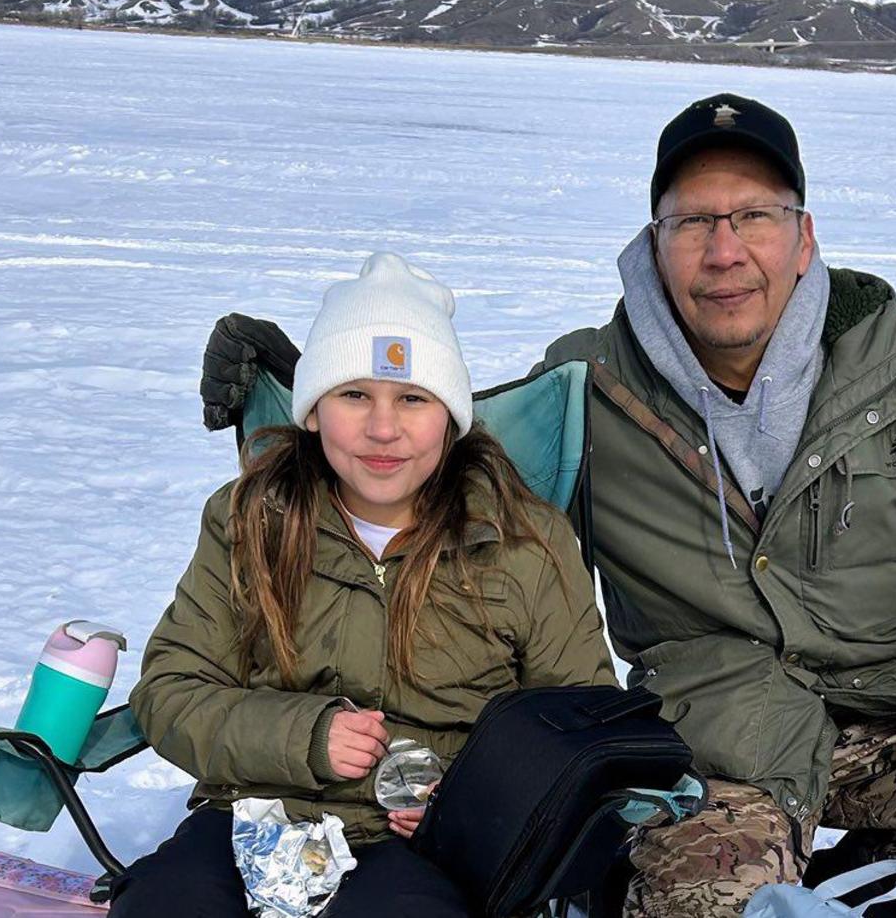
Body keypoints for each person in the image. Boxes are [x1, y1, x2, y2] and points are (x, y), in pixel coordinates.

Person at [201, 95, 896, 917]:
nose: (724, 250)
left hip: (894, 709)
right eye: (693, 222)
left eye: (754, 215)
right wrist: (302, 392)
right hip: (712, 734)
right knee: (701, 902)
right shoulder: (586, 384)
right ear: (654, 240)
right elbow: (430, 454)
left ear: (804, 234)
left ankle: (856, 895)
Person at [115, 253, 616, 918]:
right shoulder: (249, 521)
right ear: (314, 411)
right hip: (257, 815)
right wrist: (305, 737)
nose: (383, 429)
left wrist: (472, 800)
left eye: (413, 397)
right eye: (354, 394)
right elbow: (170, 693)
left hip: (425, 843)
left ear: (450, 417)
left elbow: (582, 724)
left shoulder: (524, 541)